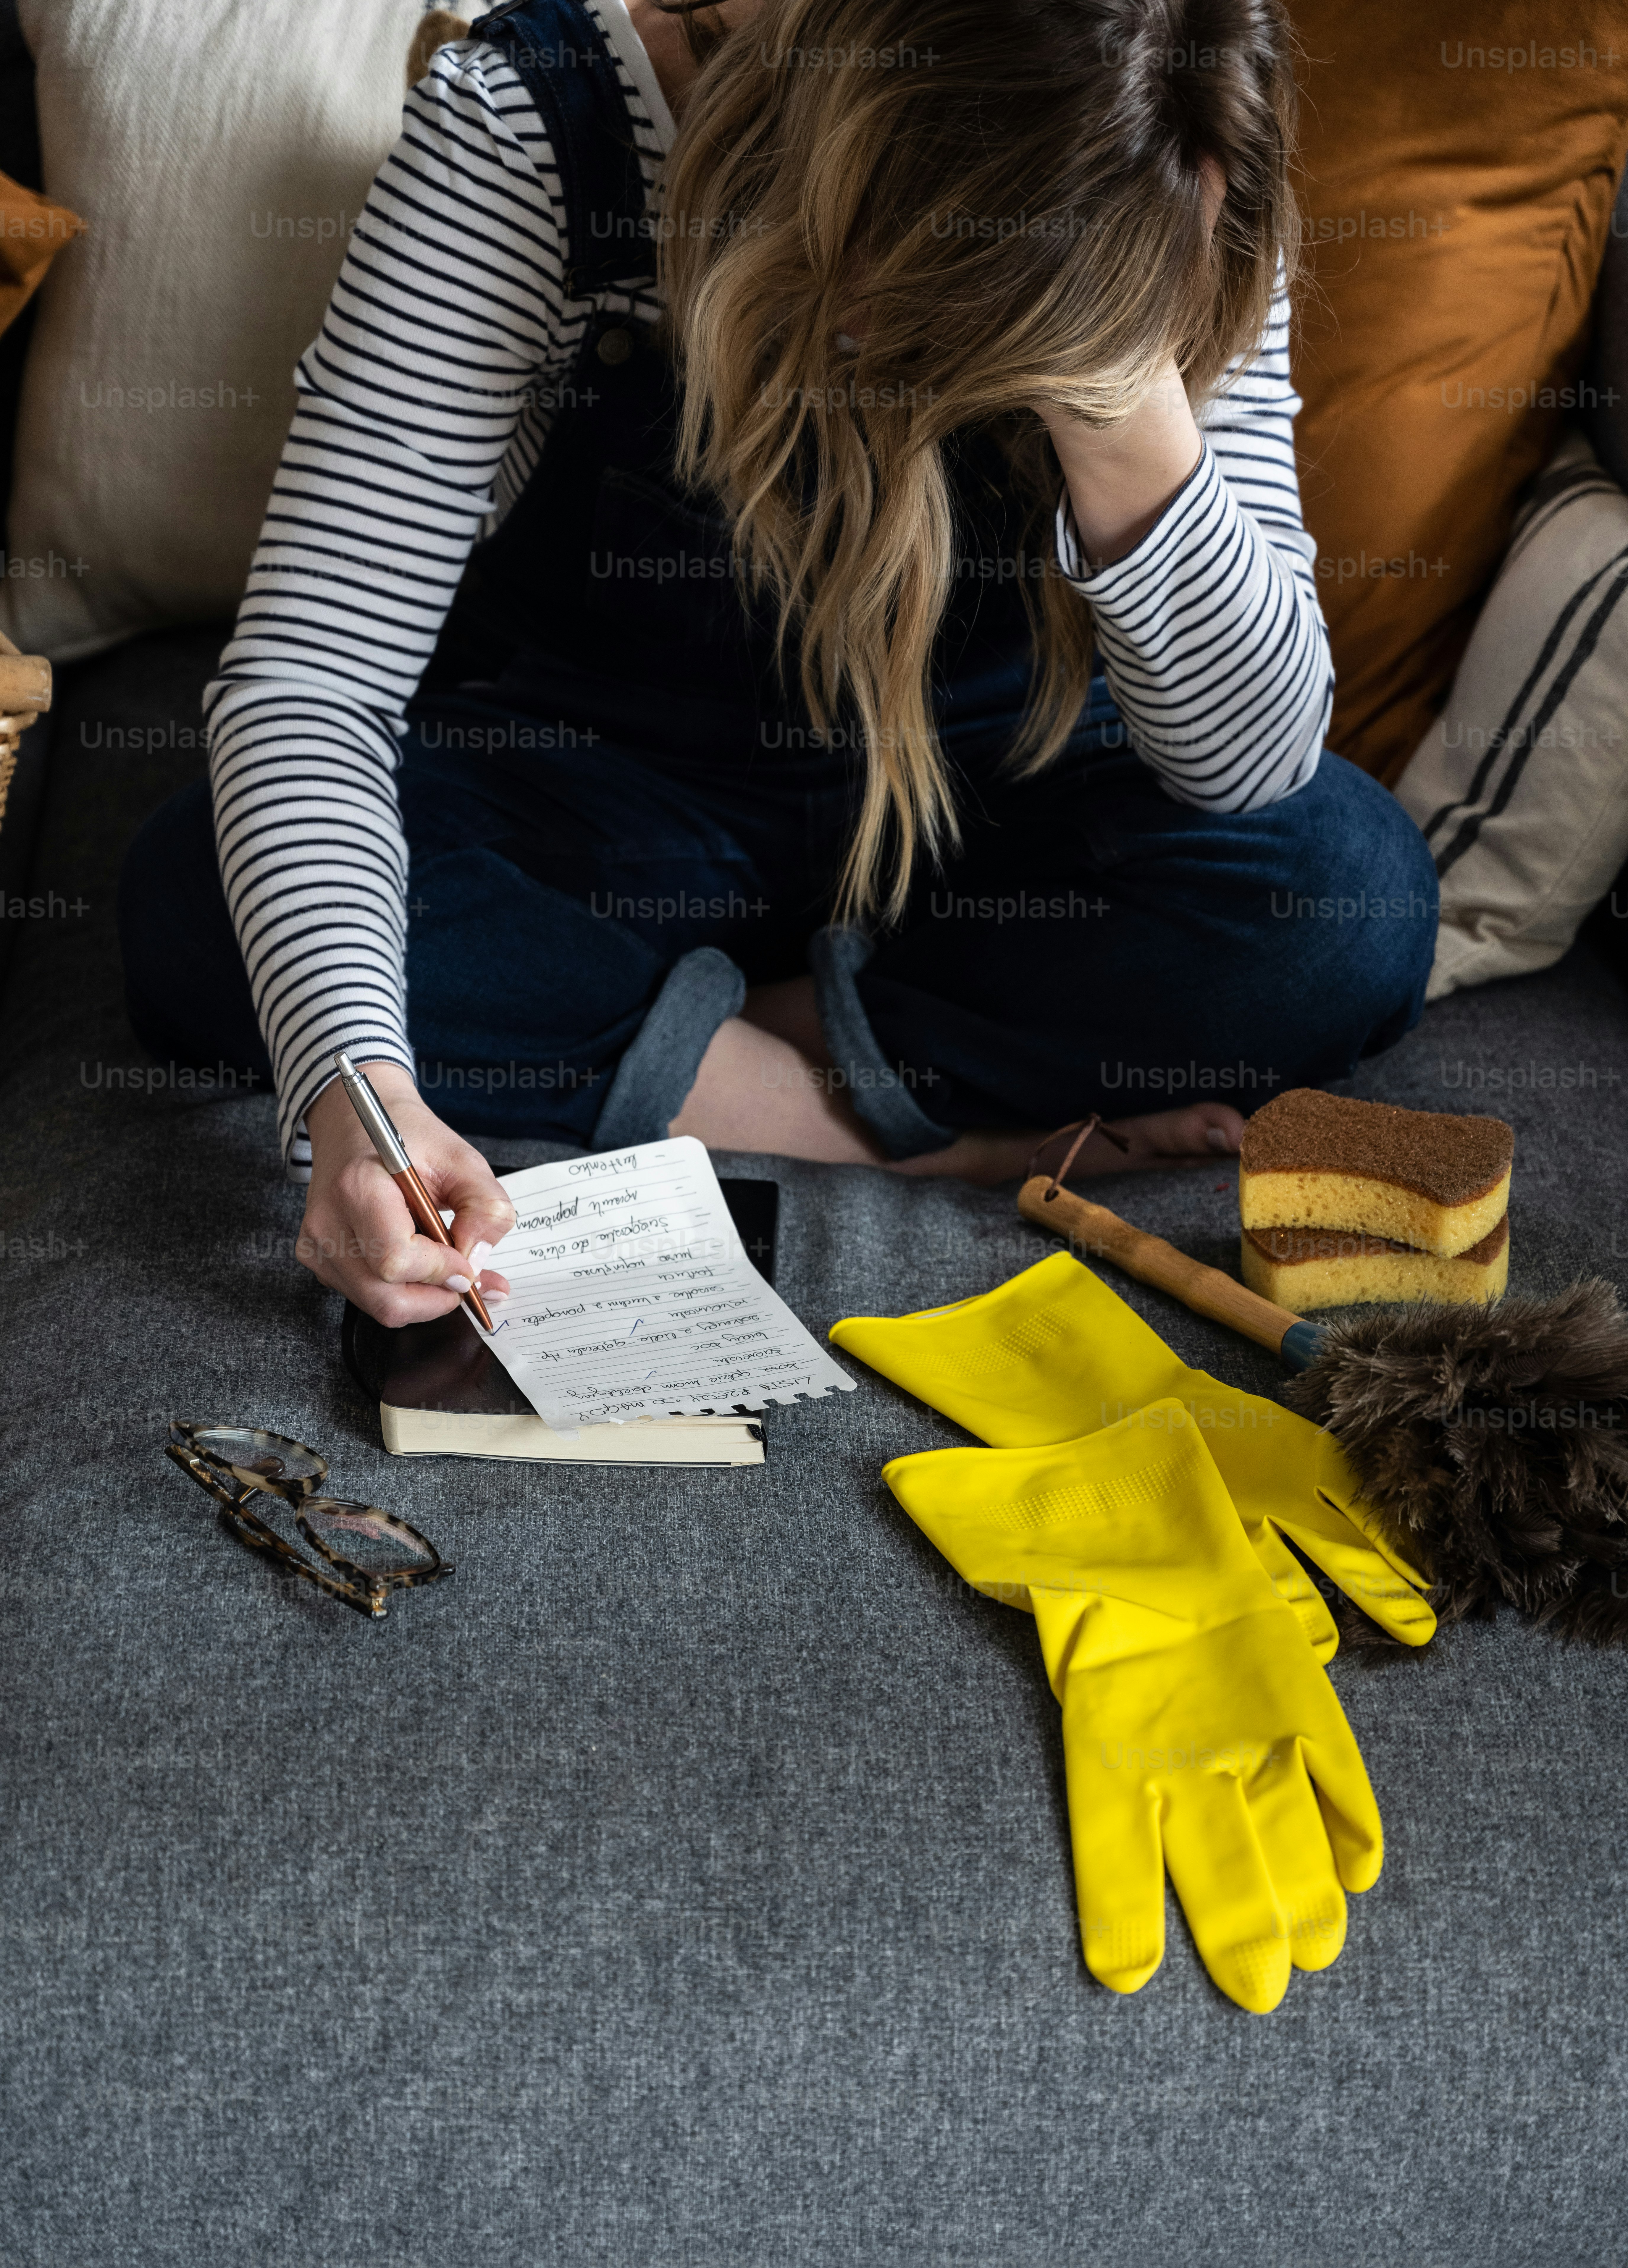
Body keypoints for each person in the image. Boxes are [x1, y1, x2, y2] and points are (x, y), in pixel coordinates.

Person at [118, 0, 1438, 1326]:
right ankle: (880, 1115)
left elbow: (1246, 762)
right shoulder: (530, 124)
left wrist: (1116, 374)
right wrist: (363, 1090)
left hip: (991, 812)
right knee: (199, 903)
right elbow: (310, 685)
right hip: (608, 796)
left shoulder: (1172, 138)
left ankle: (675, 1037)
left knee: (1347, 904)